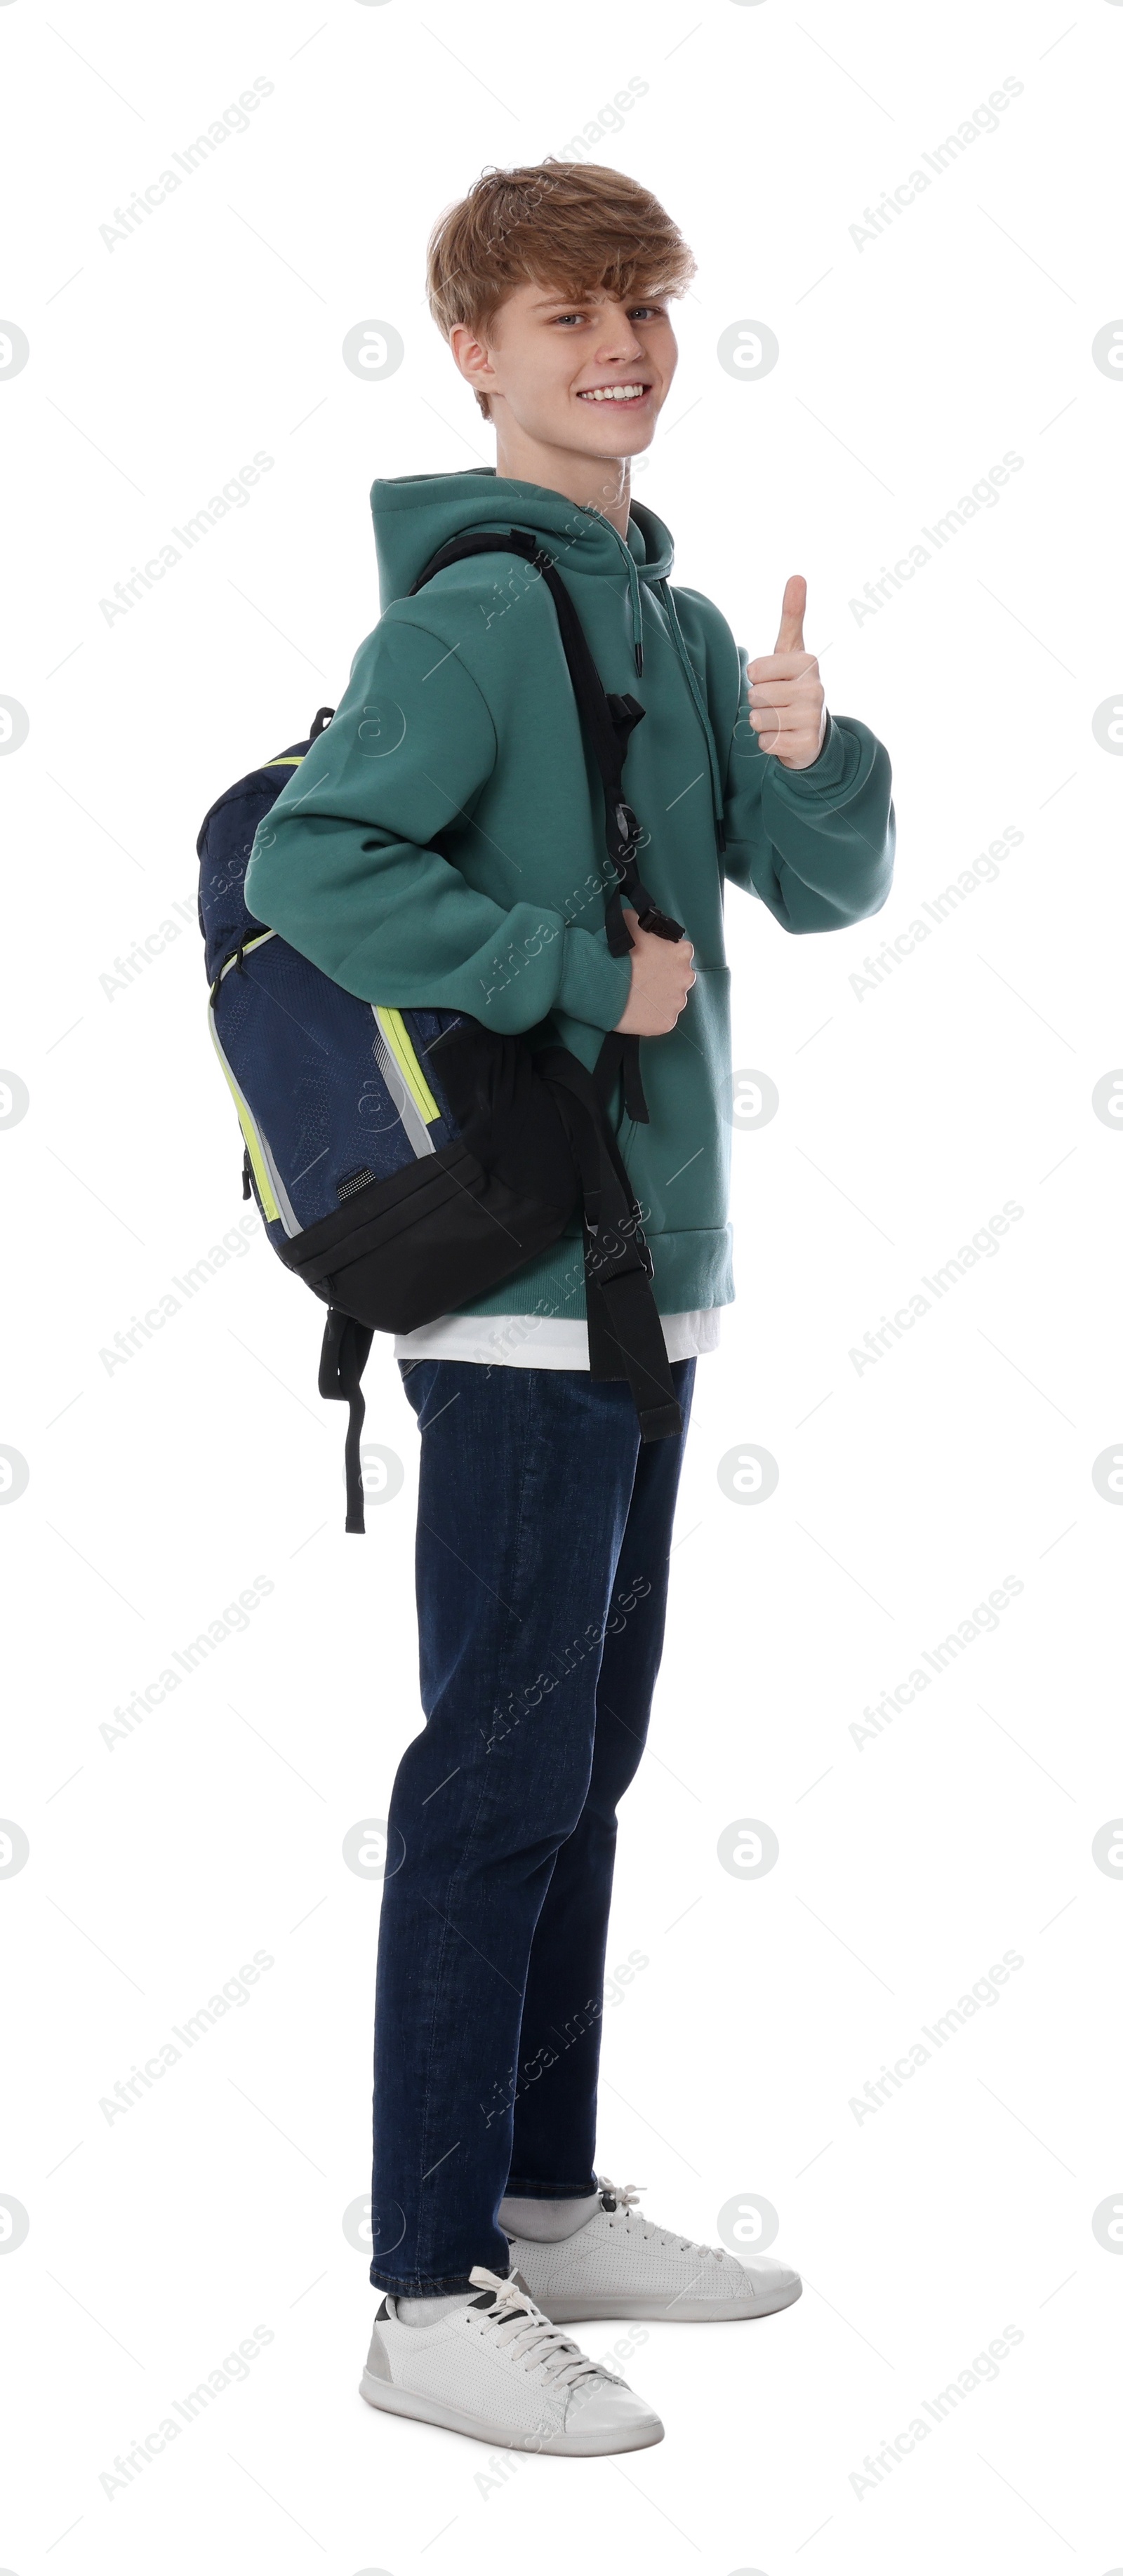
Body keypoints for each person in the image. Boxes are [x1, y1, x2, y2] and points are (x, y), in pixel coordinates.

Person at [244, 159, 894, 2457]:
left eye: (645, 307)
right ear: (476, 351)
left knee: (580, 1770)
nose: (620, 344)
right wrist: (566, 972)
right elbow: (324, 864)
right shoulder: (481, 614)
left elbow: (813, 892)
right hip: (521, 1285)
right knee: (497, 1775)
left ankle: (536, 2189)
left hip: (652, 1277)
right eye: (567, 312)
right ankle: (427, 2287)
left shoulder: (669, 612)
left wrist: (812, 757)